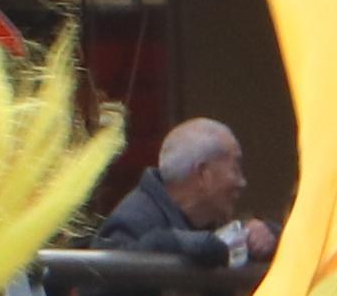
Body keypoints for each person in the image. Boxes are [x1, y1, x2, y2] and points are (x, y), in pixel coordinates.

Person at [98, 116, 275, 282]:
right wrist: (166, 245)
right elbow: (97, 286)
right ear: (203, 174)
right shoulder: (132, 221)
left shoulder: (214, 221)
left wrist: (269, 235)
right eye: (235, 169)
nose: (241, 183)